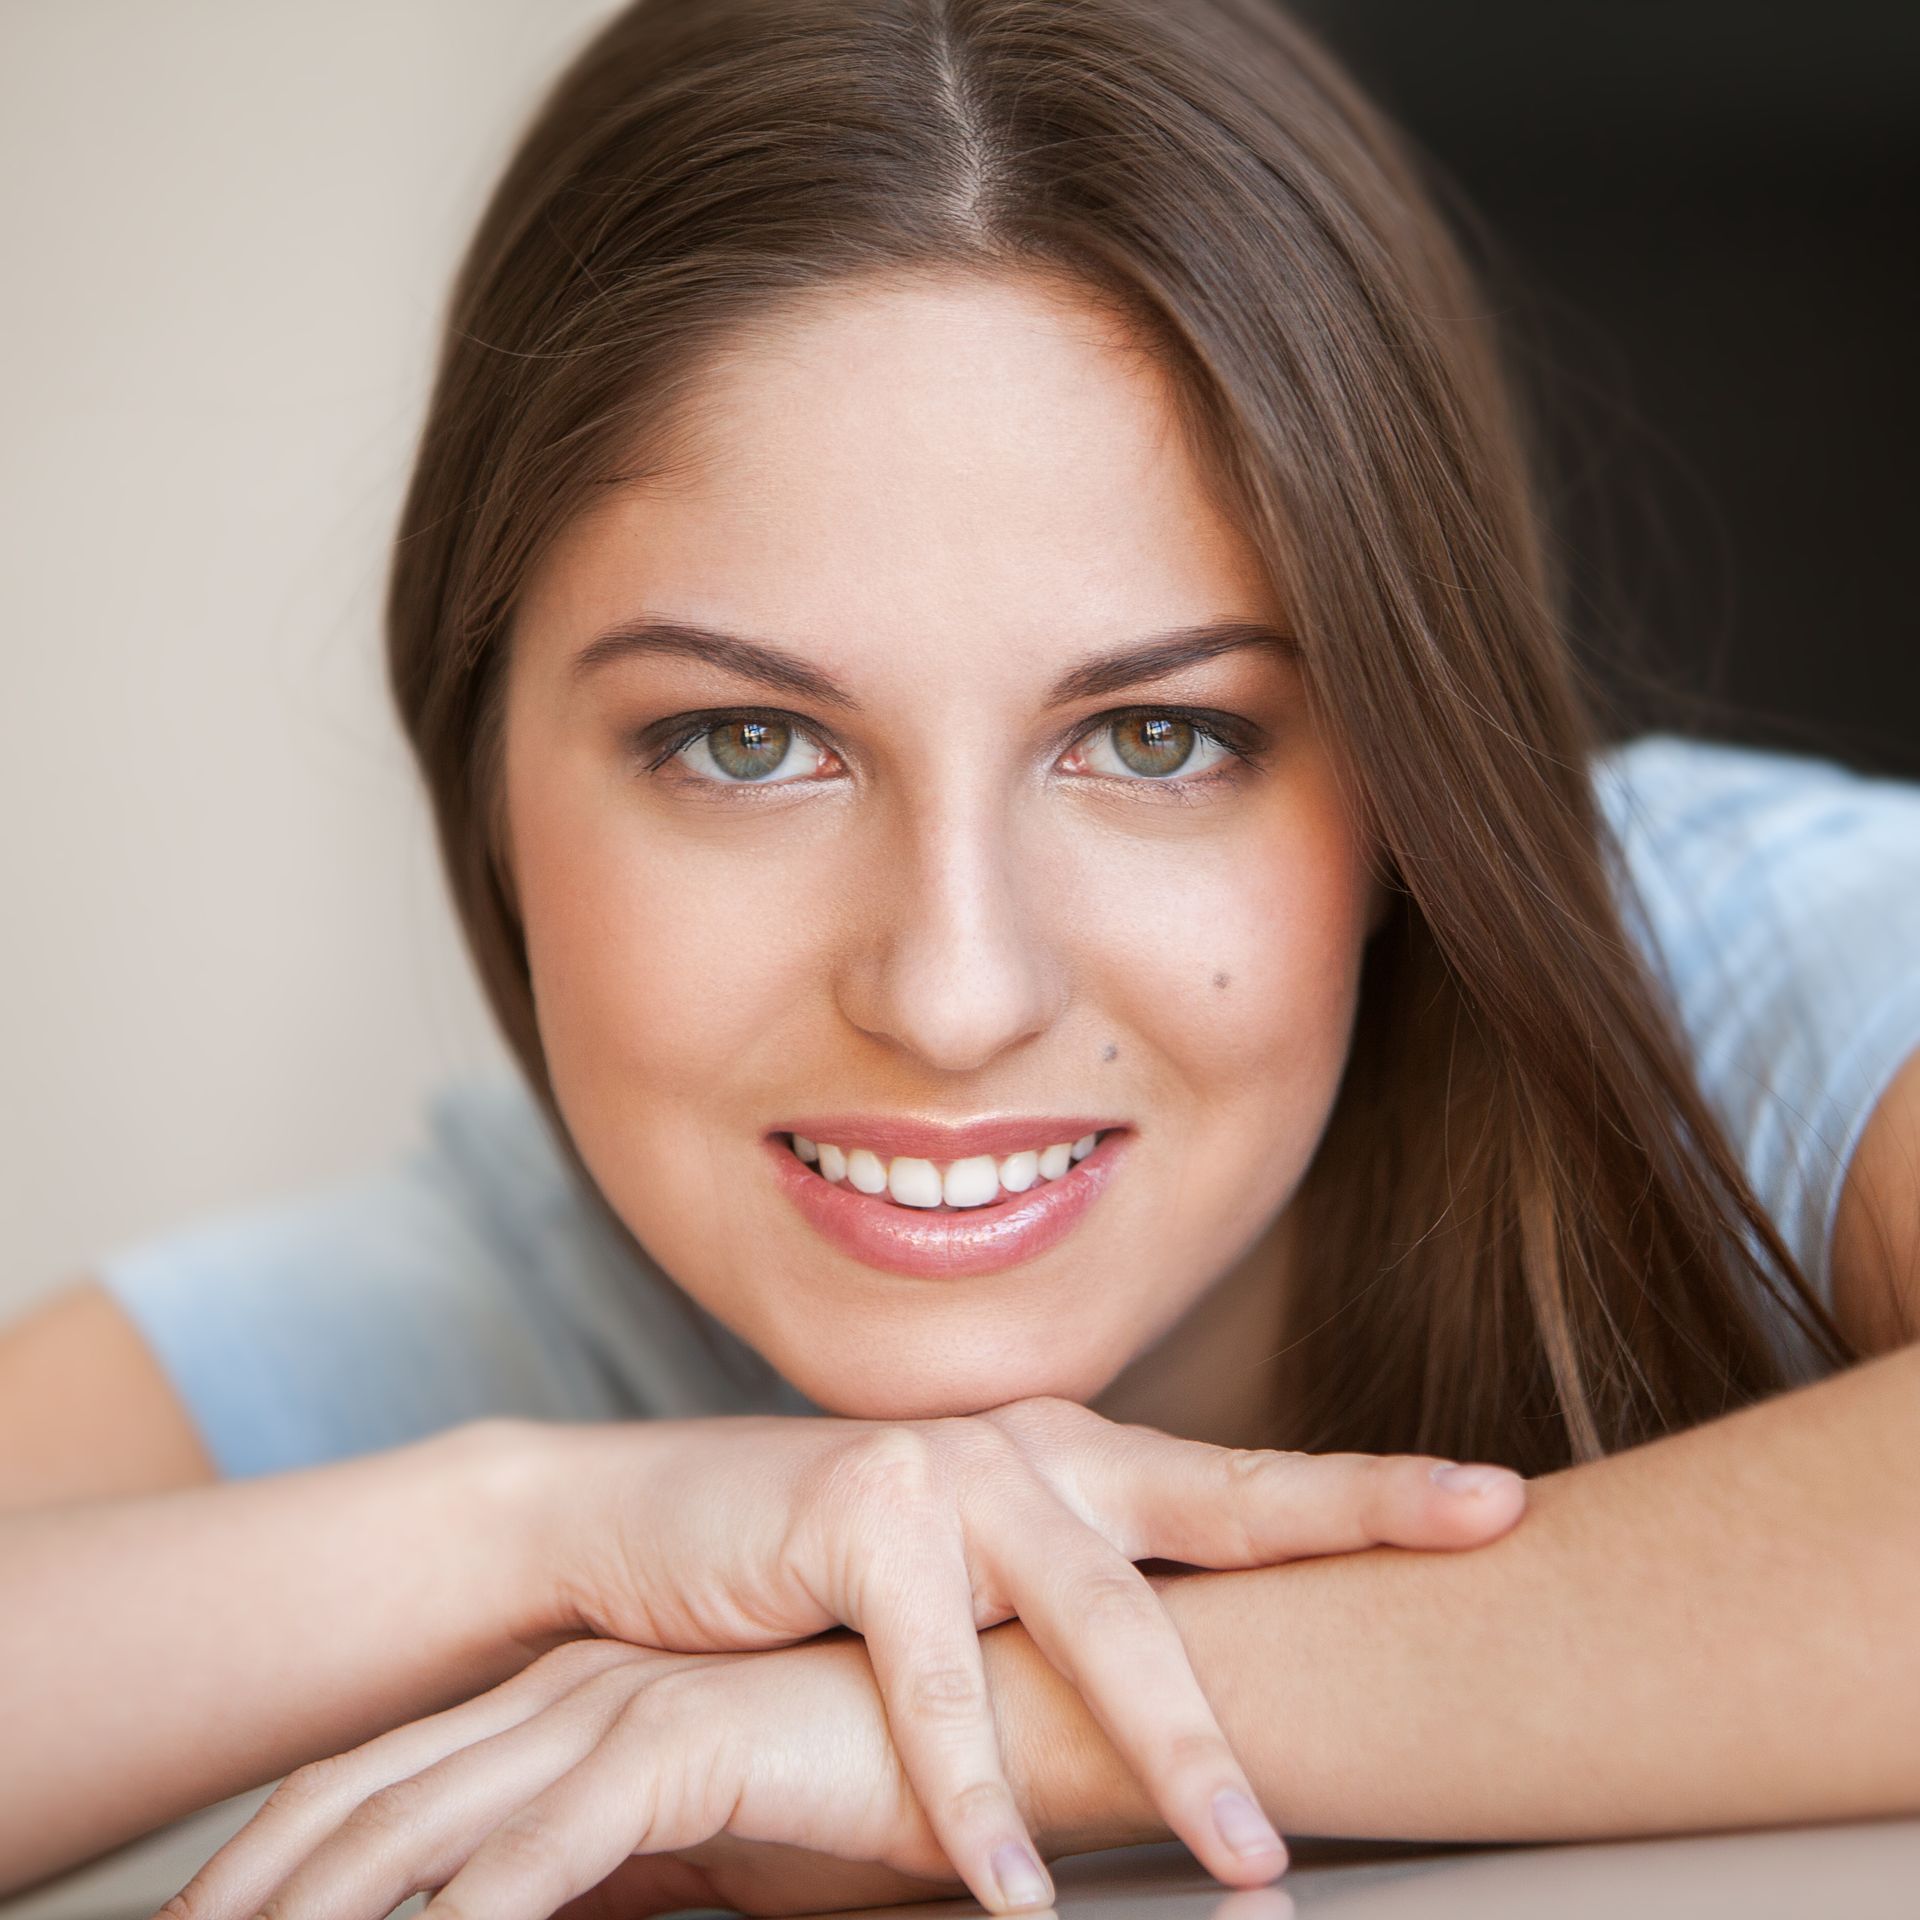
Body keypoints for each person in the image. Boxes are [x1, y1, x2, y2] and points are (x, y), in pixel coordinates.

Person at [3, 0, 1918, 1913]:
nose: (952, 992)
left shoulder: (1733, 970)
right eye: (746, 744)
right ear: (486, 774)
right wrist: (528, 1531)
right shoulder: (531, 1299)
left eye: (1158, 738)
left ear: (1413, 781)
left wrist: (976, 1731)